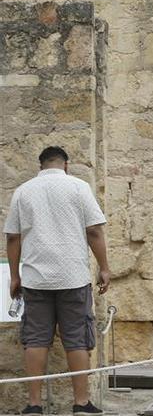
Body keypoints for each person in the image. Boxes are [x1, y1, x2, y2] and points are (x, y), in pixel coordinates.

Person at [4, 147, 111, 416]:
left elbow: (13, 238)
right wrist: (105, 268)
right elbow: (94, 232)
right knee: (76, 339)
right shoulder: (78, 187)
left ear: (40, 166)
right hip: (73, 276)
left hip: (36, 278)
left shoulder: (23, 191)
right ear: (66, 165)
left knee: (36, 339)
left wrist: (15, 275)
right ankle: (82, 403)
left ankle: (34, 404)